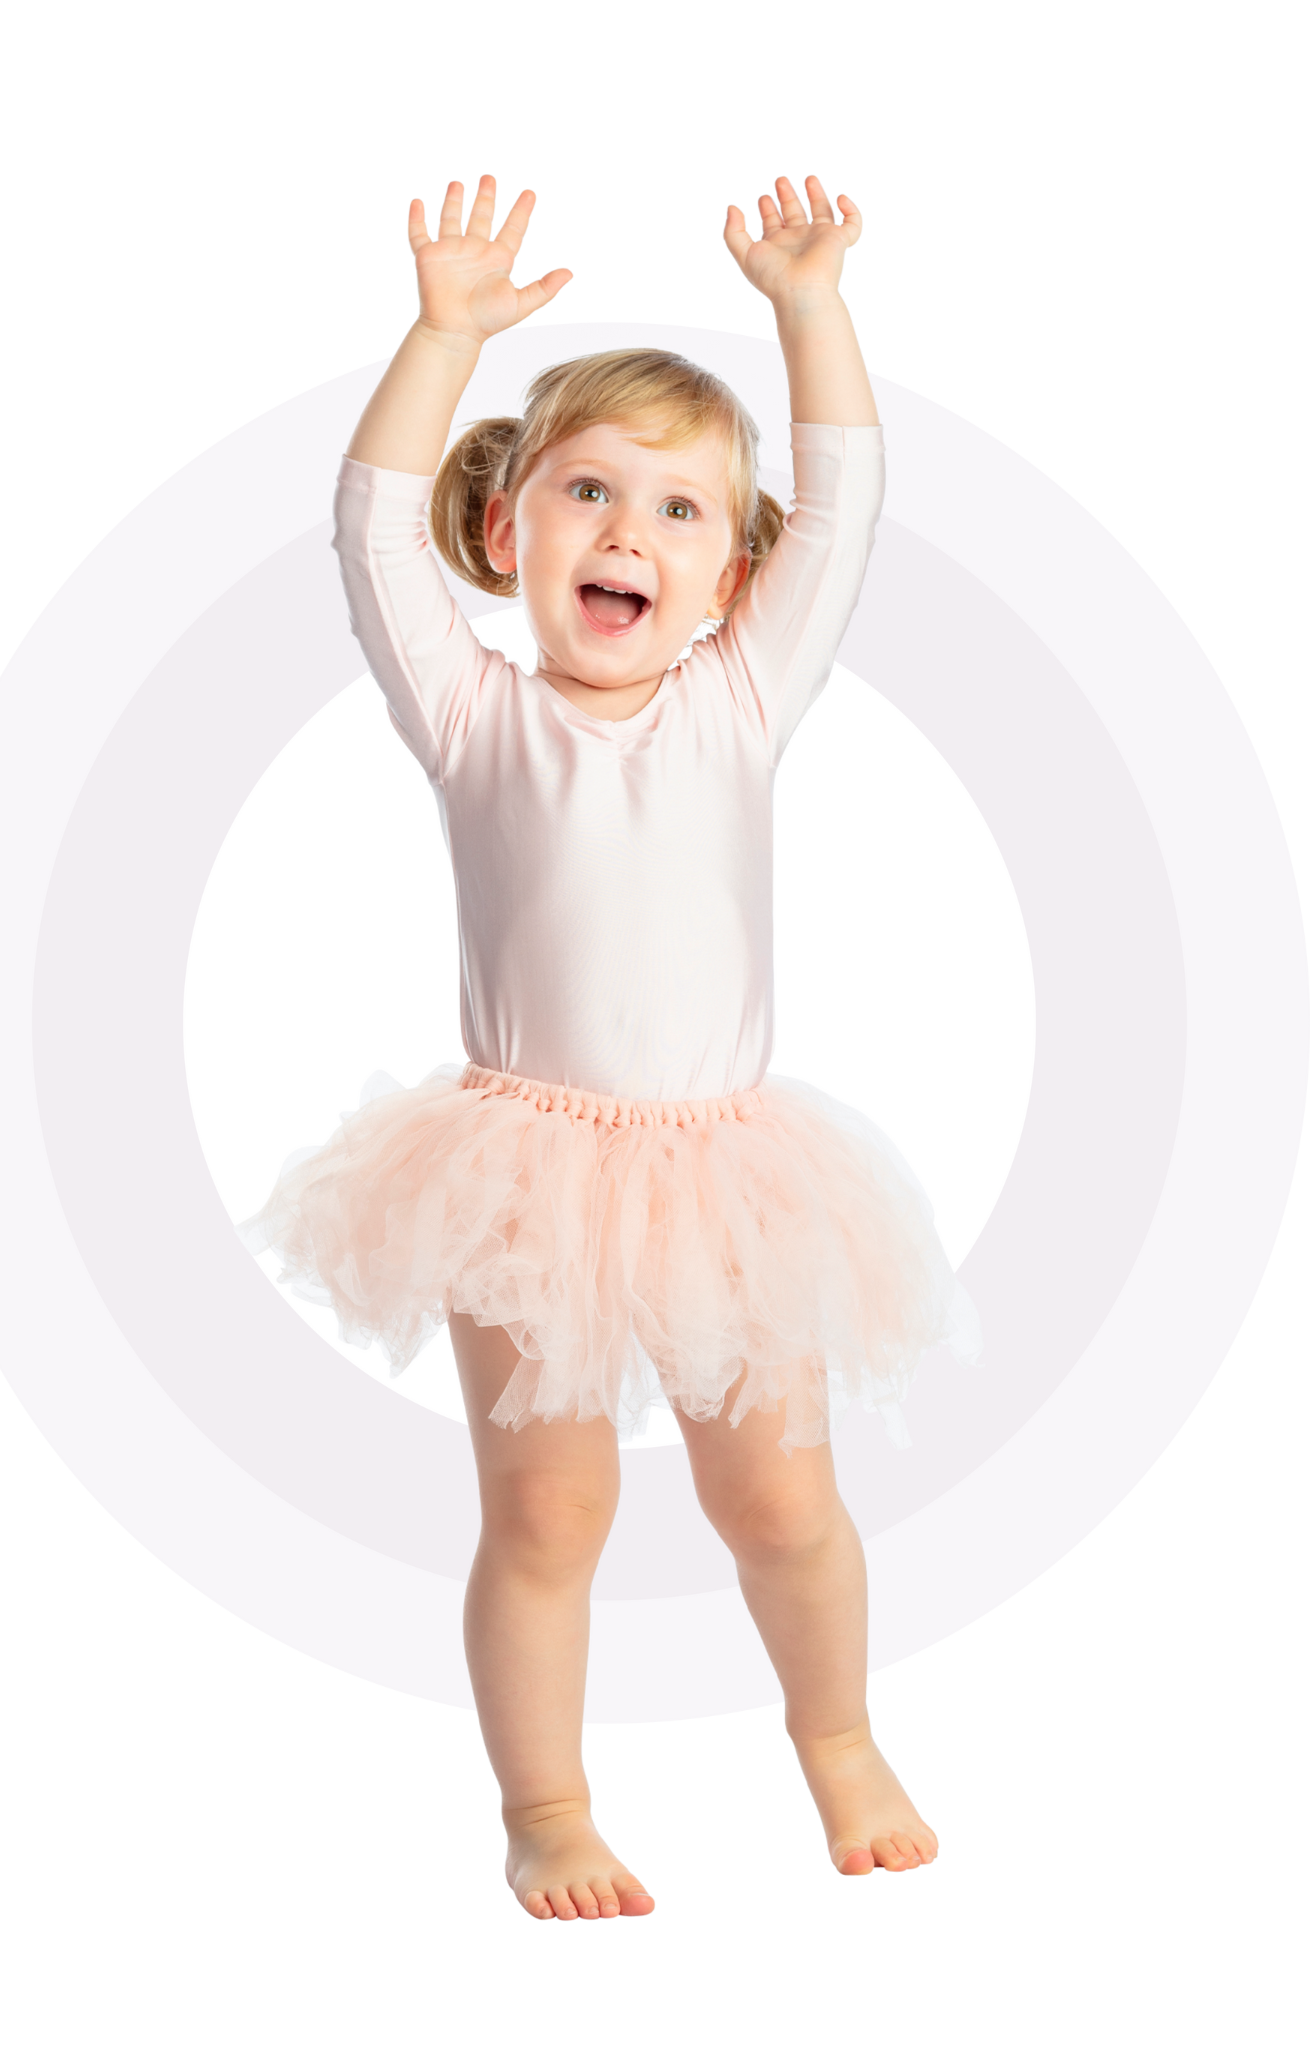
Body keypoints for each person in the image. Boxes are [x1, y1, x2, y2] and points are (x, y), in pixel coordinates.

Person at [245, 171, 978, 1919]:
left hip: (729, 1167)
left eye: (674, 510)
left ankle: (840, 1737)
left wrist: (810, 304)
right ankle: (549, 1806)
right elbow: (365, 530)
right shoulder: (473, 710)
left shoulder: (739, 695)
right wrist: (441, 342)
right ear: (509, 533)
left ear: (733, 575)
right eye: (586, 492)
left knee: (782, 1501)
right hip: (524, 1169)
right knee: (548, 1512)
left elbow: (851, 502)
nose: (624, 534)